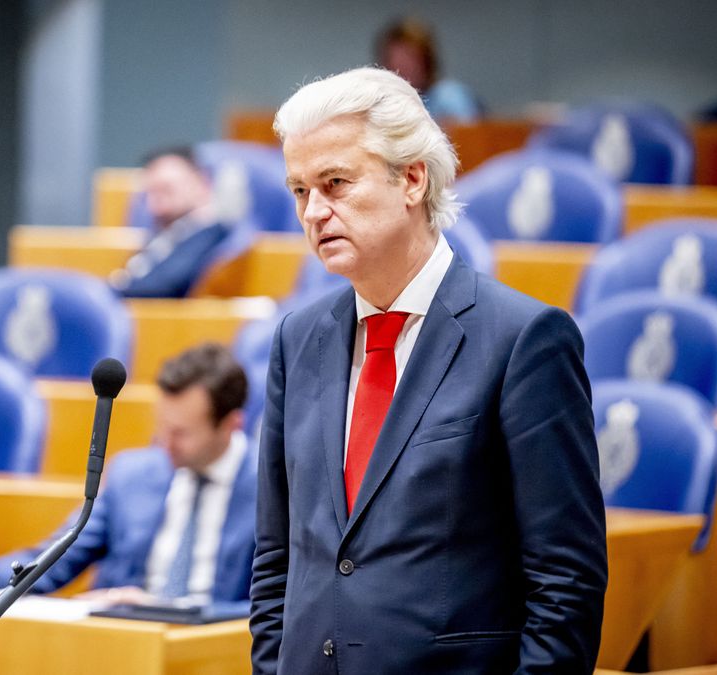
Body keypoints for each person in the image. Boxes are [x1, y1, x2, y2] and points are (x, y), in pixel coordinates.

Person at [250, 67, 607, 673]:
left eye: (335, 183)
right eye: (300, 191)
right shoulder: (298, 338)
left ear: (412, 179)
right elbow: (276, 555)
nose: (314, 211)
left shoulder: (523, 340)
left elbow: (565, 580)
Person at [0, 343, 256, 609]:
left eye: (181, 433)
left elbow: (272, 609)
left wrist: (168, 610)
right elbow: (59, 555)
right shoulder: (132, 475)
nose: (164, 443)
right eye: (161, 427)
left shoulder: (273, 486)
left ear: (231, 425)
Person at [108, 147, 233, 298]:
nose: (157, 204)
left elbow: (162, 286)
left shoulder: (209, 233)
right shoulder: (164, 235)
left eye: (167, 190)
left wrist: (107, 290)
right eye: (152, 193)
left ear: (201, 184)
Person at [376, 17, 480, 123]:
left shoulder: (449, 97)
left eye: (409, 59)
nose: (401, 68)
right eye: (394, 60)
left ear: (427, 62)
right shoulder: (386, 105)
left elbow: (468, 131)